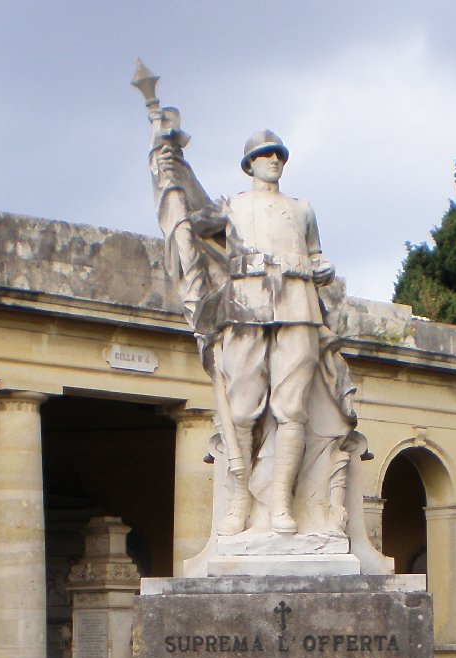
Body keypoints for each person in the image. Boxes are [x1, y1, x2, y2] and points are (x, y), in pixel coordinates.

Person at [149, 127, 356, 539]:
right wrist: (173, 172)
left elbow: (316, 255)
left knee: (292, 409)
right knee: (242, 409)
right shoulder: (232, 206)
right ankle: (240, 499)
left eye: (278, 154)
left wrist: (322, 268)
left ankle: (280, 502)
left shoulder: (302, 209)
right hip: (246, 305)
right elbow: (192, 220)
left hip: (298, 306)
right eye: (264, 156)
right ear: (249, 165)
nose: (273, 160)